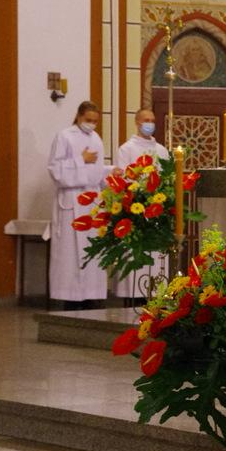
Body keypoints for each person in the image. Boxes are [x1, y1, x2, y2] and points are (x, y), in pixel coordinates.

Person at [47, 101, 115, 309]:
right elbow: (55, 169)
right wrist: (80, 159)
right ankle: (70, 297)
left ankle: (91, 294)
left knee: (92, 250)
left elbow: (96, 172)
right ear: (78, 116)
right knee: (70, 252)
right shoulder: (64, 136)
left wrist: (110, 172)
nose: (91, 124)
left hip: (92, 202)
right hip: (72, 201)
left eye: (95, 121)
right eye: (88, 120)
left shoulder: (96, 139)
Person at [113, 108, 169, 301]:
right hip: (134, 210)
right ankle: (132, 295)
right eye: (146, 120)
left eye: (152, 120)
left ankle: (156, 293)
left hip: (157, 210)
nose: (149, 124)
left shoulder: (161, 151)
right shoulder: (126, 149)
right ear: (137, 122)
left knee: (155, 256)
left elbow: (166, 178)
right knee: (135, 254)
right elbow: (123, 180)